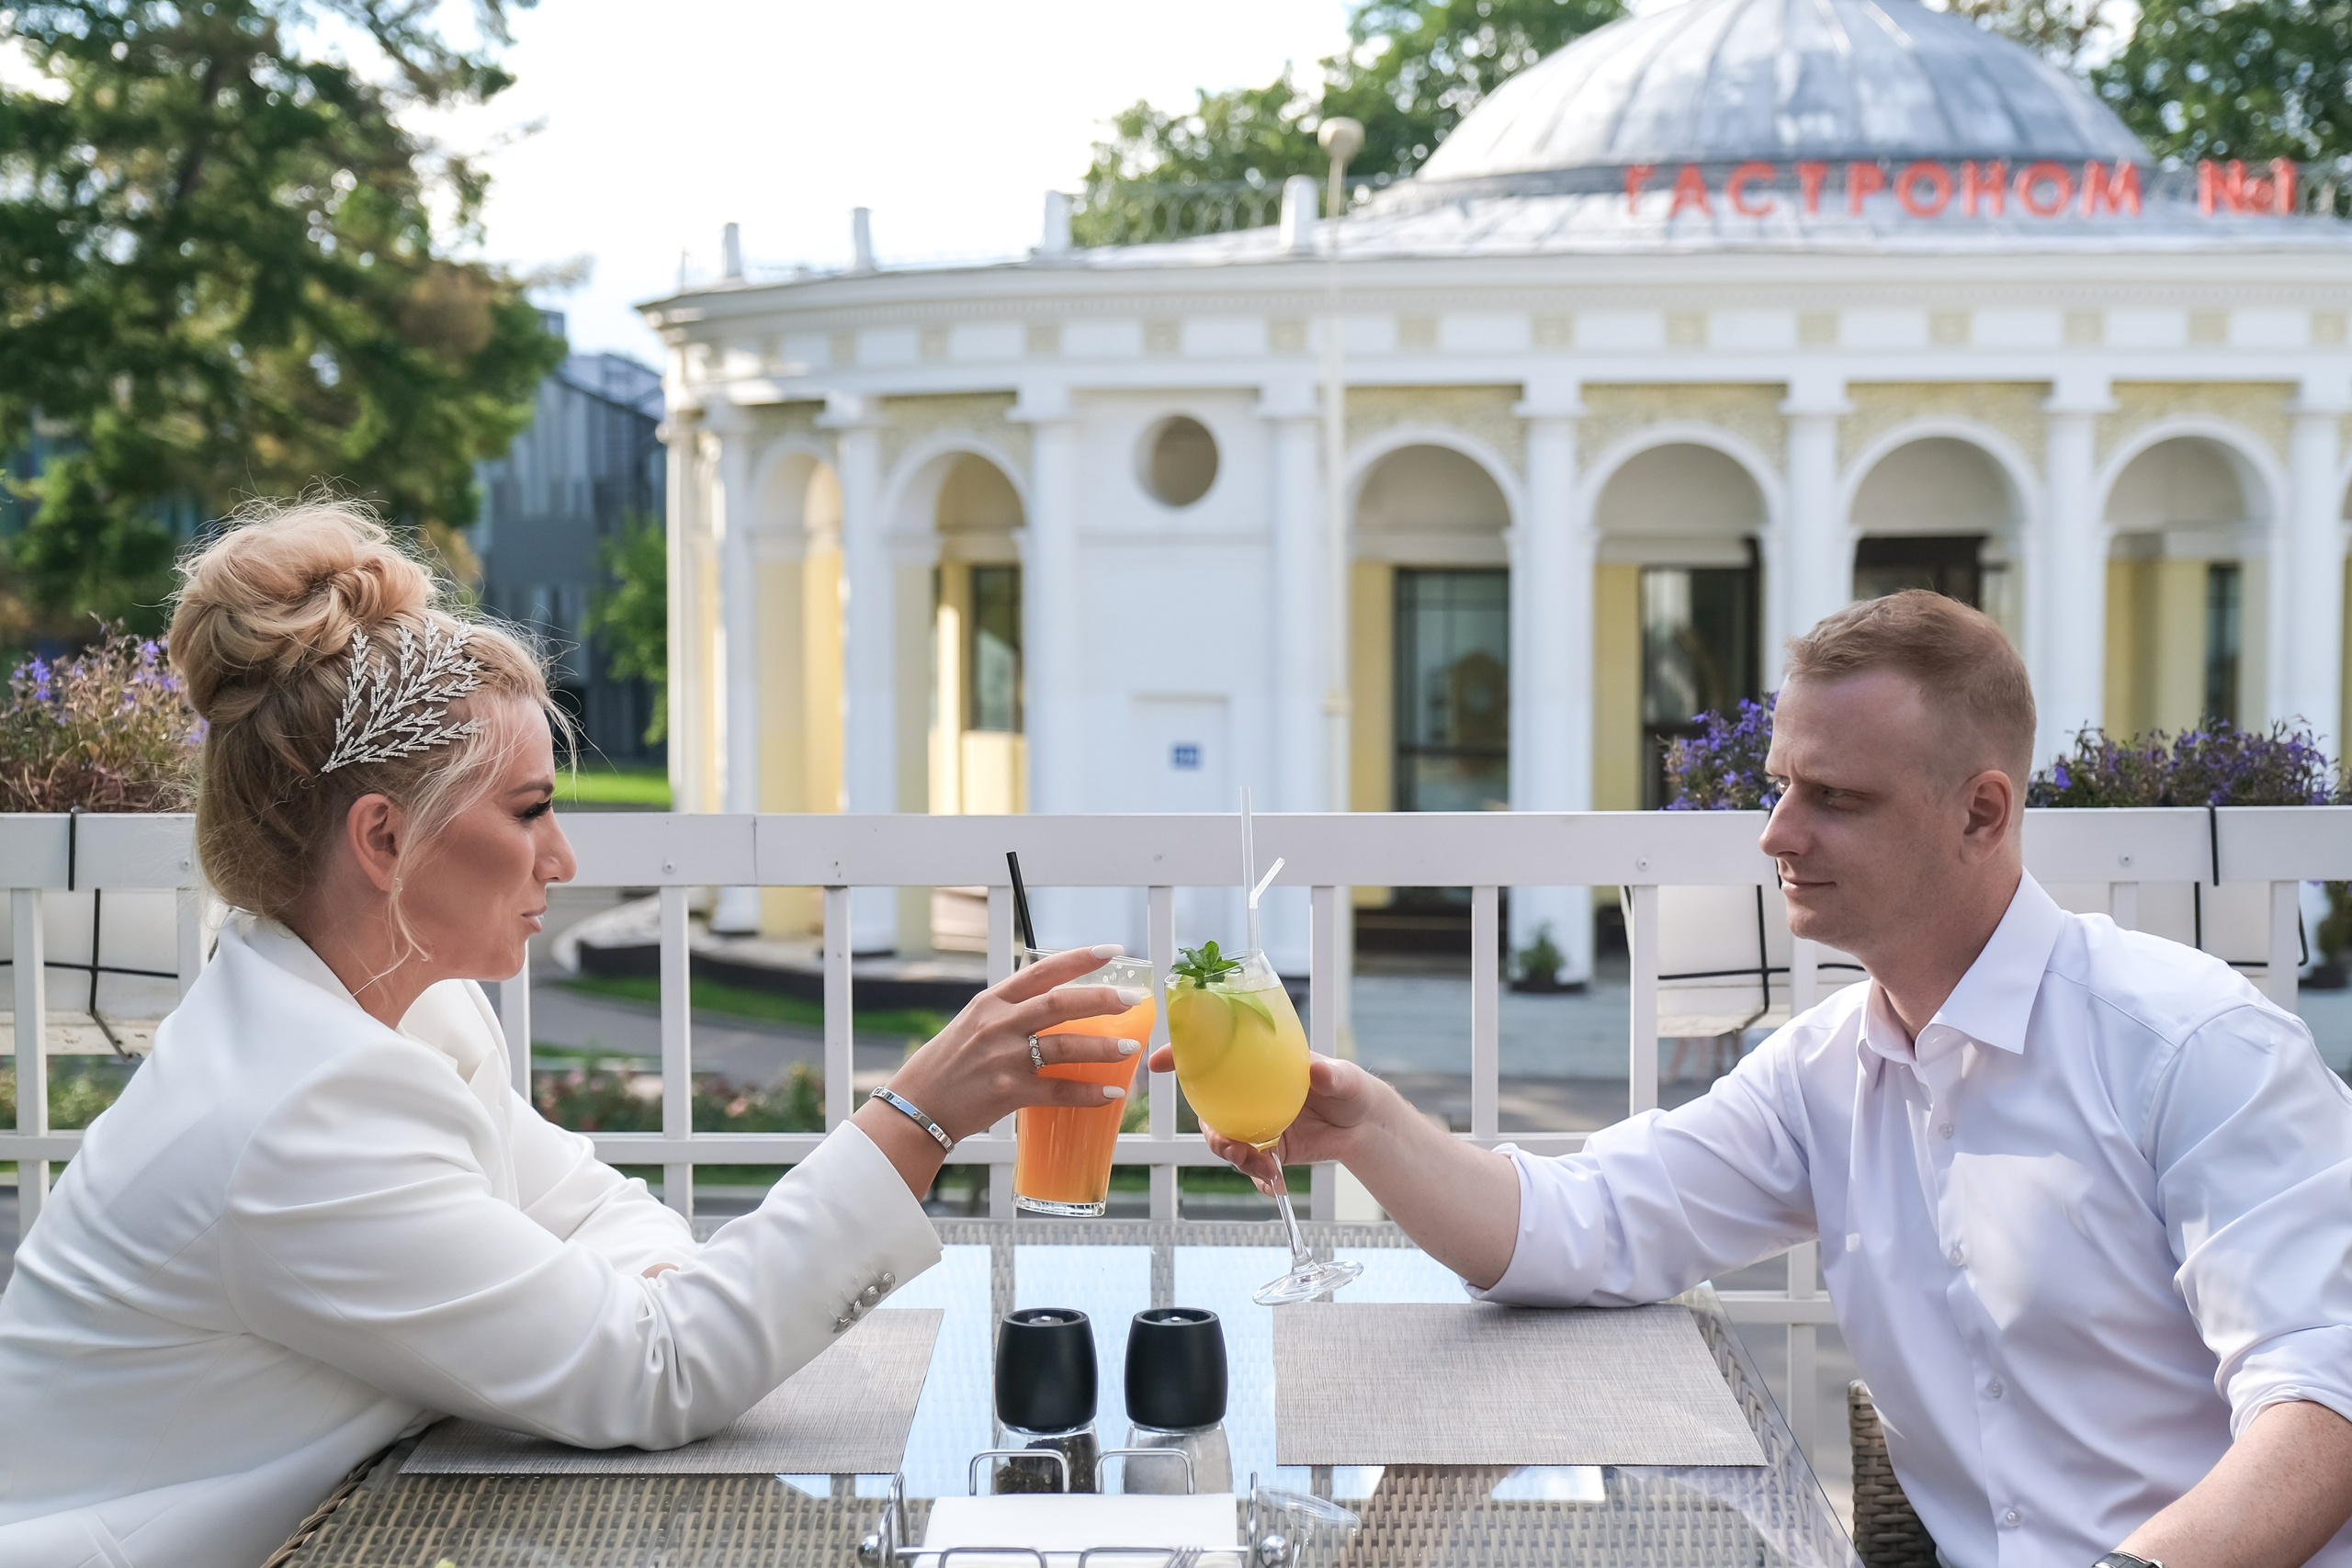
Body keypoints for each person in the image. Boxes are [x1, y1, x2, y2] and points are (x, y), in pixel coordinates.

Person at [0, 501, 1147, 1568]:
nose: (564, 863)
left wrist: (635, 1302)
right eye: (531, 812)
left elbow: (599, 1210)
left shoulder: (395, 1010)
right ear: (385, 841)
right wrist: (918, 1114)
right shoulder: (301, 1116)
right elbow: (657, 1372)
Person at [1182, 591, 2352, 1568]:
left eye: (1832, 799)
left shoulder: (2194, 1048)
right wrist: (1370, 1126)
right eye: (1780, 785)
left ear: (1982, 812)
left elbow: (2322, 1416)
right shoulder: (1822, 1067)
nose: (1775, 833)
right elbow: (1580, 1230)